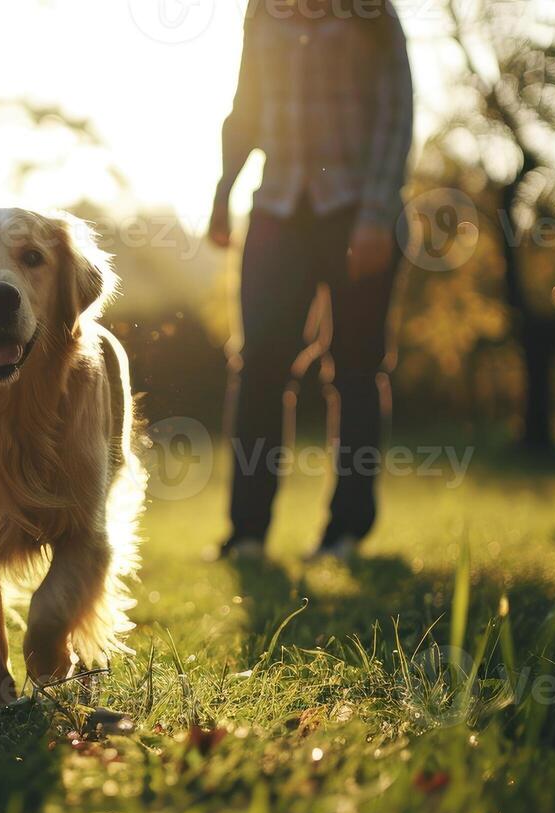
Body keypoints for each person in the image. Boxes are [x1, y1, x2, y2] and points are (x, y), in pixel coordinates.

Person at [208, 0, 414, 560]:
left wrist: (376, 215)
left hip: (358, 210)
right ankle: (246, 534)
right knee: (259, 367)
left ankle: (344, 532)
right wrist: (224, 190)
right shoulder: (262, 10)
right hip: (278, 208)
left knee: (354, 367)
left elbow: (396, 114)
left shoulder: (371, 13)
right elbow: (246, 105)